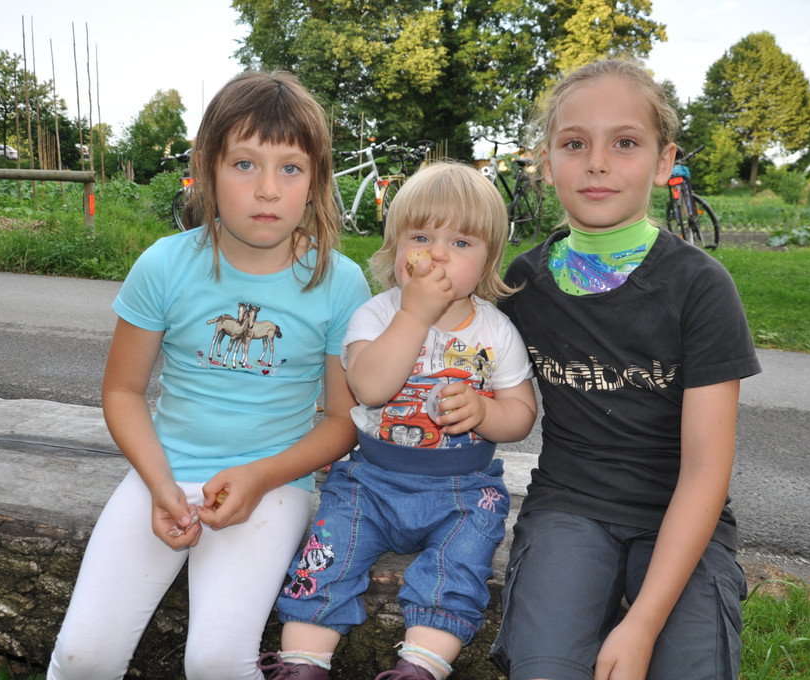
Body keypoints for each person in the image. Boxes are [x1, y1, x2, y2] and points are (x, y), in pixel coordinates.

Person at [46, 70, 371, 680]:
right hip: (163, 474)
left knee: (217, 662)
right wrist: (158, 482)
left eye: (290, 169)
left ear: (316, 180)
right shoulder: (165, 264)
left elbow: (341, 420)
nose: (268, 189)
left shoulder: (339, 282)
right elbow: (122, 390)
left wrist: (260, 476)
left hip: (273, 484)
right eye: (245, 164)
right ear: (207, 168)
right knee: (84, 658)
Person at [490, 59, 762, 680]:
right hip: (568, 508)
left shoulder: (700, 287)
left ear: (664, 163)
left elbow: (706, 470)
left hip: (682, 518)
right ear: (546, 161)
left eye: (625, 143)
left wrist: (641, 624)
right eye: (574, 144)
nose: (597, 163)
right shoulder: (524, 281)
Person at [259, 161, 538, 680]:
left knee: (461, 562)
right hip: (371, 480)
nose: (437, 254)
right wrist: (414, 315)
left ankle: (421, 664)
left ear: (488, 260)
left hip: (462, 487)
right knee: (329, 554)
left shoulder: (497, 330)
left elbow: (522, 415)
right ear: (395, 249)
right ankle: (303, 661)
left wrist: (485, 411)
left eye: (461, 243)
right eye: (421, 237)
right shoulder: (378, 314)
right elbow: (369, 388)